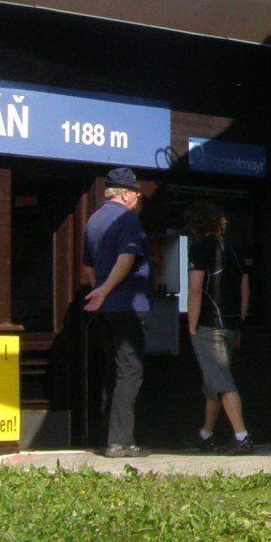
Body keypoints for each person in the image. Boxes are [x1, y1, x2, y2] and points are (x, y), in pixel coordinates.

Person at [81, 167, 151, 456]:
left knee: (113, 370)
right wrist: (107, 290)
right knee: (130, 371)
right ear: (125, 193)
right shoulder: (127, 219)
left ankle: (106, 436)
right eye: (136, 193)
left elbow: (88, 265)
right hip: (127, 306)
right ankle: (121, 441)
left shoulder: (94, 220)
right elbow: (126, 258)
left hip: (106, 308)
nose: (138, 198)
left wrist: (98, 291)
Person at [184, 200, 254, 454]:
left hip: (209, 325)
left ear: (195, 226)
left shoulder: (200, 249)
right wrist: (239, 324)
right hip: (231, 324)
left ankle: (241, 436)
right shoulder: (237, 249)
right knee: (212, 382)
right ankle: (206, 433)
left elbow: (195, 290)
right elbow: (244, 289)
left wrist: (191, 327)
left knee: (222, 382)